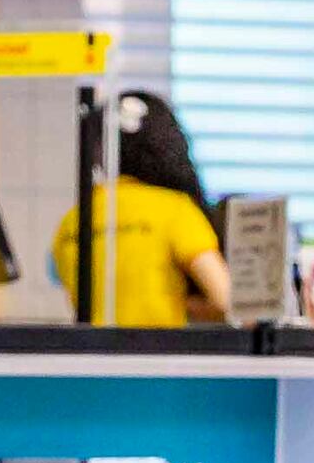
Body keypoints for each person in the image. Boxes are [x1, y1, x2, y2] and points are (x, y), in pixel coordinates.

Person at [49, 91, 233, 327]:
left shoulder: (73, 219)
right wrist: (182, 304)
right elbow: (224, 300)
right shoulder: (175, 210)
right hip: (157, 355)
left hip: (93, 357)